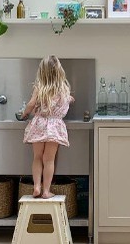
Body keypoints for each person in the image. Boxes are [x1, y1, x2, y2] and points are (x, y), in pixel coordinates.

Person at [19, 55, 75, 198]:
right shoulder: (63, 88)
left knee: (37, 157)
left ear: (41, 71)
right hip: (55, 126)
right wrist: (69, 99)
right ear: (59, 71)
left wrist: (24, 114)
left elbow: (31, 104)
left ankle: (36, 186)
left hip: (39, 123)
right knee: (49, 159)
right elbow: (67, 100)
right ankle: (46, 191)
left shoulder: (39, 87)